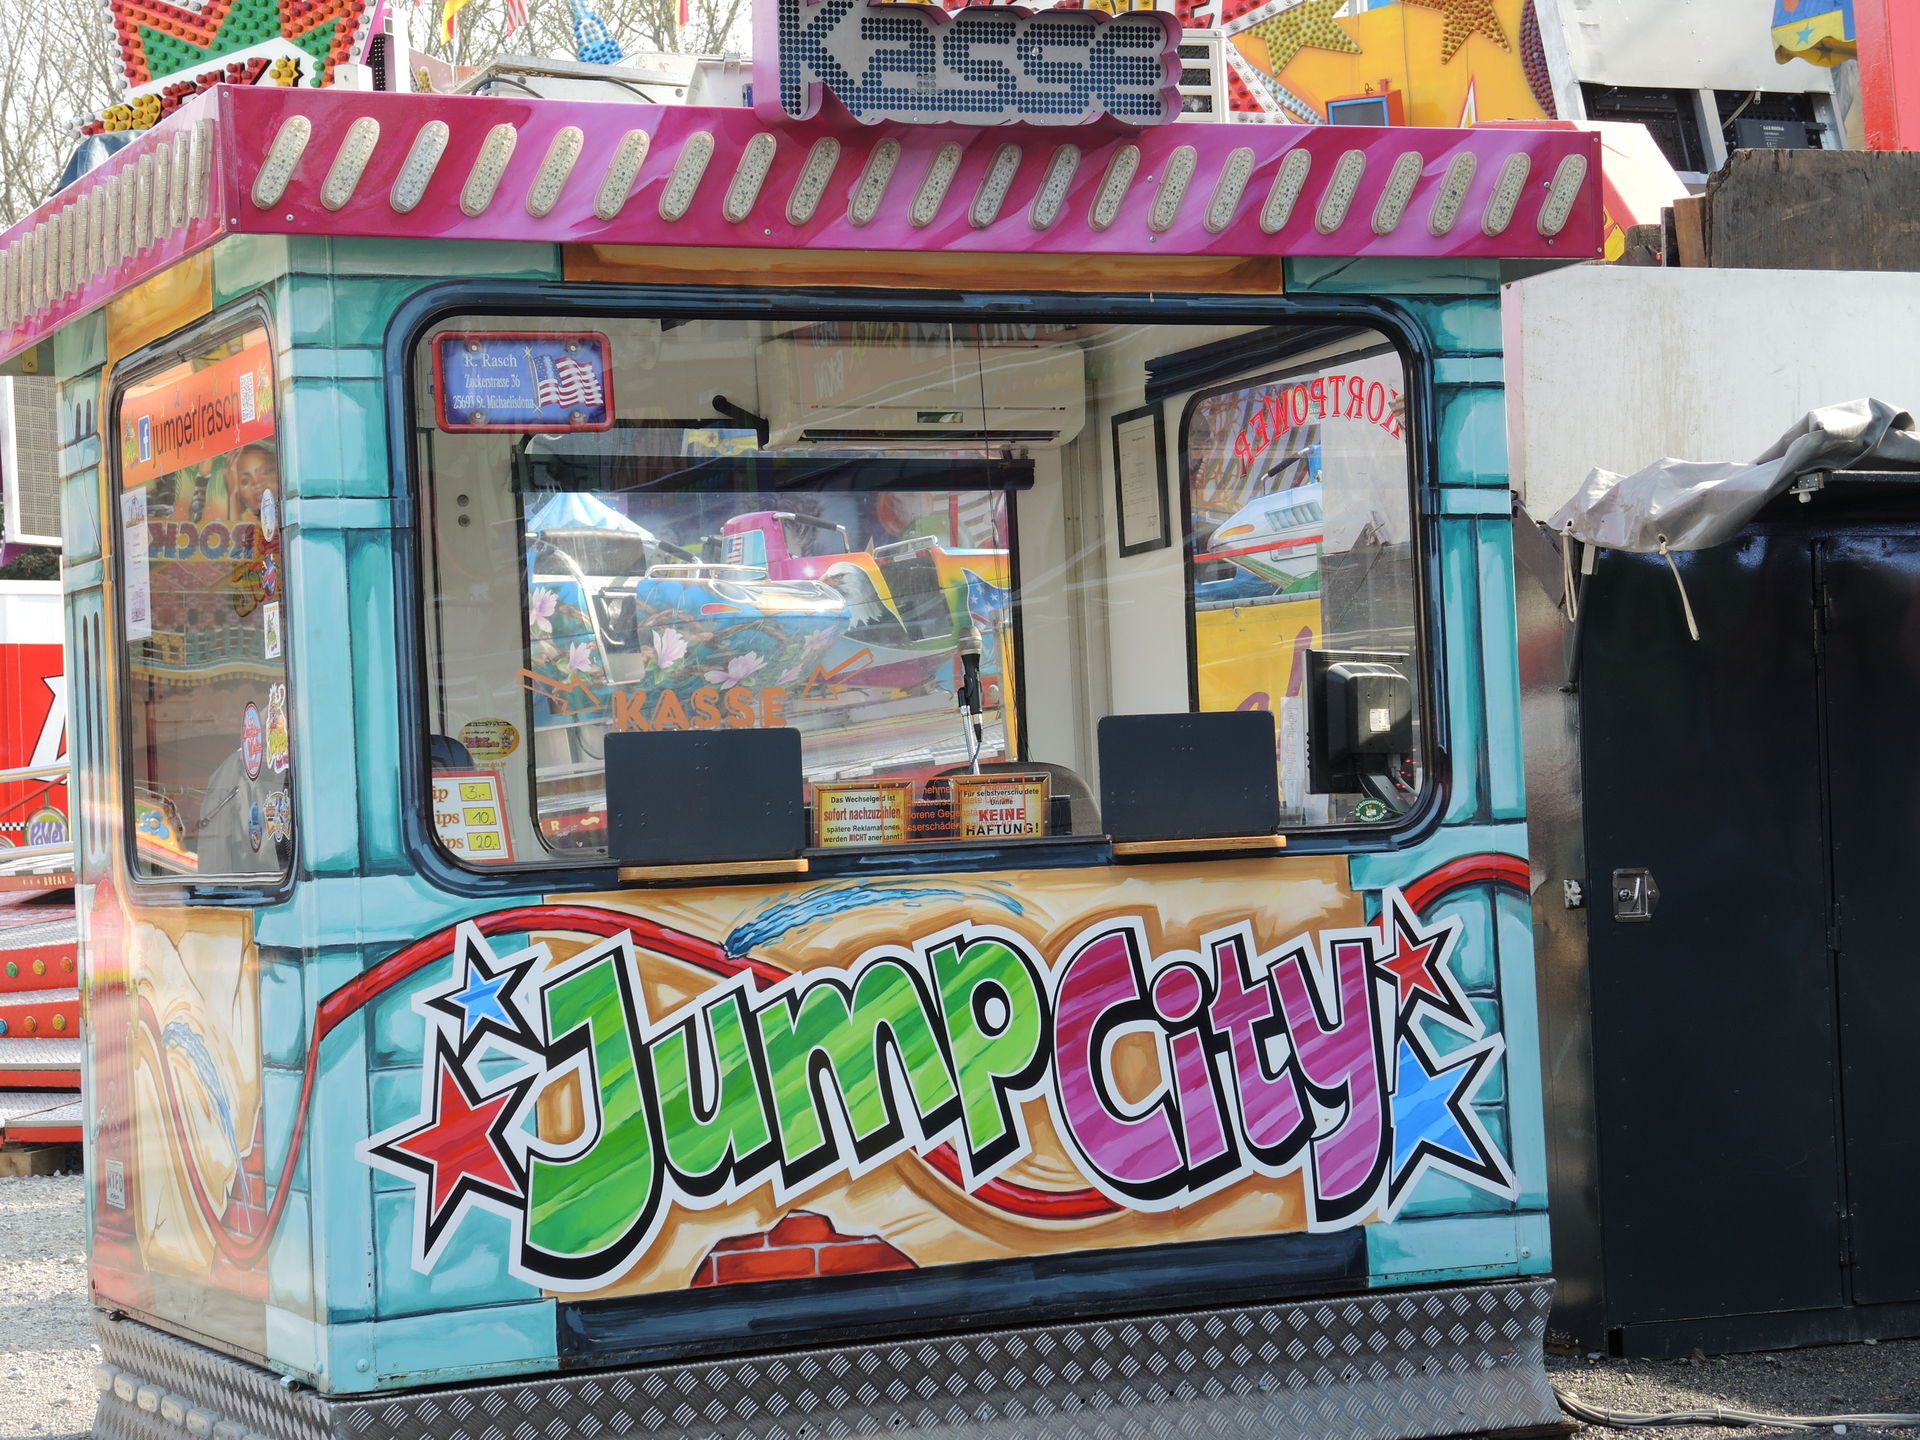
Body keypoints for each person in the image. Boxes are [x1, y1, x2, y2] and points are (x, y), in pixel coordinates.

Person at [227, 443, 279, 525]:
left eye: (265, 472)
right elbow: (235, 531)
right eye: (245, 481)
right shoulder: (246, 521)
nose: (257, 483)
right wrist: (233, 495)